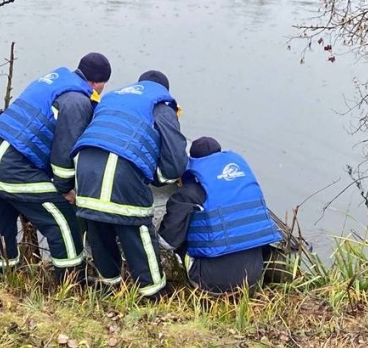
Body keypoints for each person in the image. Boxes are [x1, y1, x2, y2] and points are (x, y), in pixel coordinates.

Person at [0, 52, 112, 283]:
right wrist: (66, 188)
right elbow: (63, 155)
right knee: (63, 222)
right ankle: (72, 284)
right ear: (98, 84)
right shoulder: (78, 100)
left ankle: (3, 280)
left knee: (1, 222)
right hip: (14, 168)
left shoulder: (53, 80)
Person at [71, 70, 188, 298]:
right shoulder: (163, 105)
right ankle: (154, 293)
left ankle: (108, 286)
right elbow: (175, 159)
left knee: (98, 225)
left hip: (85, 168)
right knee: (138, 228)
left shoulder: (114, 97)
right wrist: (158, 178)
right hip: (120, 168)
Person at [157, 136, 283, 295]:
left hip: (212, 283)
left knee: (182, 234)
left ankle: (203, 285)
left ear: (194, 161)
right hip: (252, 279)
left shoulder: (189, 193)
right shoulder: (245, 184)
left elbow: (166, 242)